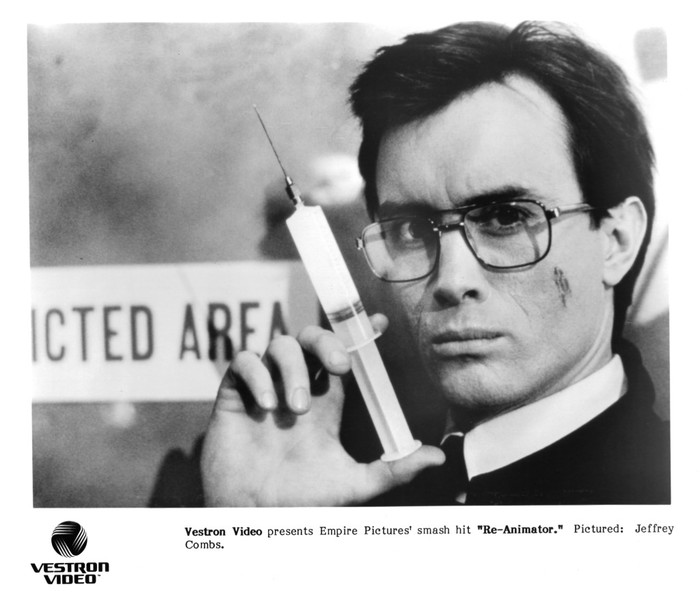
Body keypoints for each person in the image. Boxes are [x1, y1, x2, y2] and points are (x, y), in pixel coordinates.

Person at [199, 21, 670, 506]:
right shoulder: (343, 493)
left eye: (506, 218)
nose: (451, 280)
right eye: (410, 231)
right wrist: (253, 524)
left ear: (616, 240)